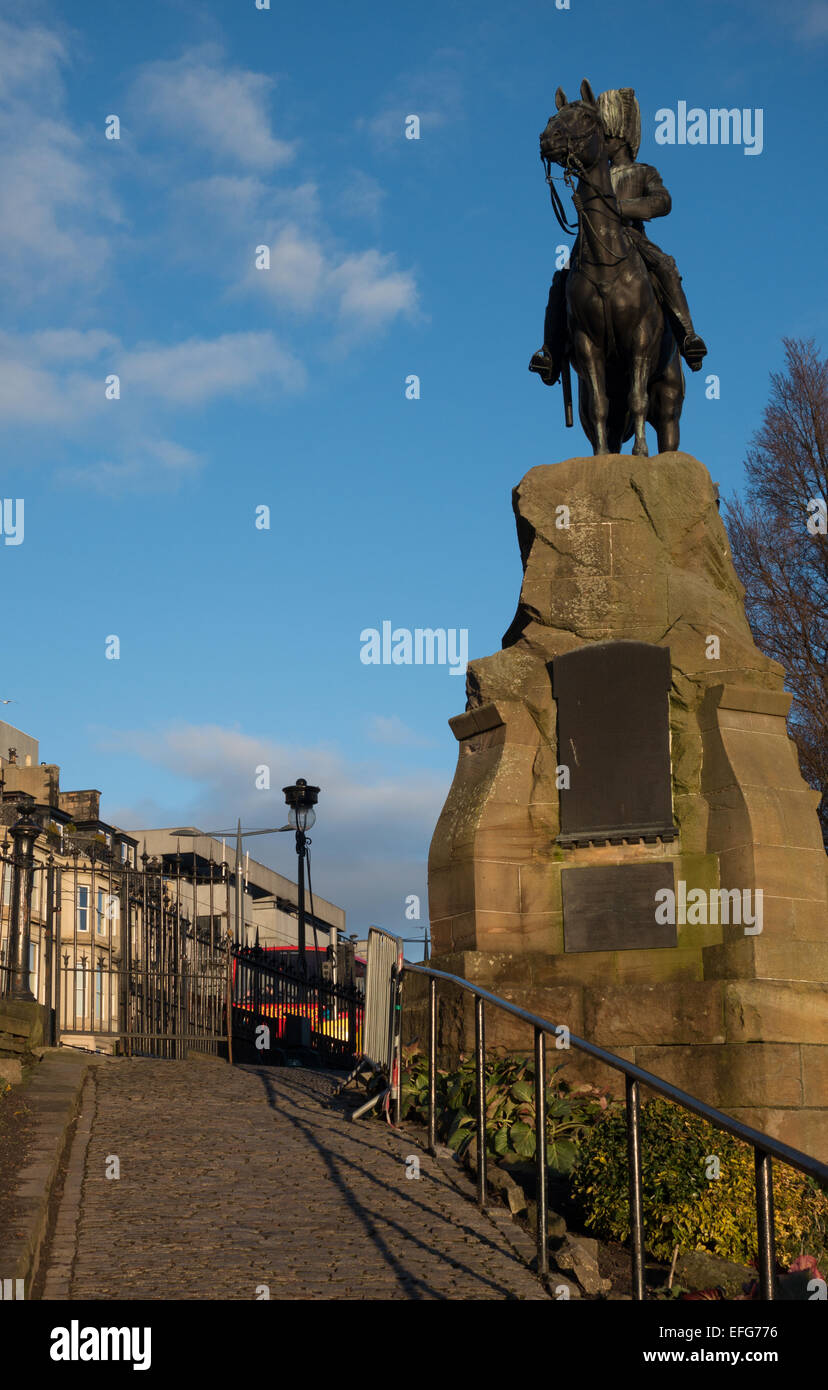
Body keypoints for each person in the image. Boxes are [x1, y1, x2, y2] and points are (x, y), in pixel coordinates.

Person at [530, 87, 707, 387]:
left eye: (608, 137)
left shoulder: (642, 172)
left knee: (665, 265)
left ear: (622, 138)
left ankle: (688, 336)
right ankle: (551, 353)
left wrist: (621, 207)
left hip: (632, 238)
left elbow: (662, 202)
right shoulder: (593, 172)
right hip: (592, 243)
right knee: (561, 282)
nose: (603, 142)